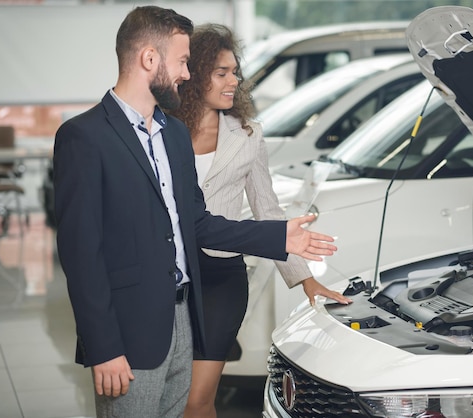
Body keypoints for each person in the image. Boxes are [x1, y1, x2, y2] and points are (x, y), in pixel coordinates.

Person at [53, 6, 339, 418]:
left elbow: (198, 223)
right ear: (150, 59)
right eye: (183, 61)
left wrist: (279, 238)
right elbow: (82, 257)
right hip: (131, 330)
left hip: (187, 316)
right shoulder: (84, 137)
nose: (187, 74)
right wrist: (104, 347)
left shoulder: (171, 136)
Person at [169, 23, 352, 418]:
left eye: (235, 72)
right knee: (169, 395)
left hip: (221, 278)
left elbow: (268, 210)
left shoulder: (248, 135)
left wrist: (305, 278)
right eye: (222, 73)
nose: (235, 80)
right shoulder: (164, 130)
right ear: (196, 74)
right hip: (170, 277)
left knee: (196, 400)